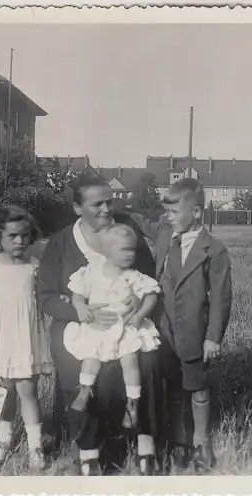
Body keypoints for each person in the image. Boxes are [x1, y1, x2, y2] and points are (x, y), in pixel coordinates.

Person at [38, 176, 163, 476]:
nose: (107, 209)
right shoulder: (61, 242)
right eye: (98, 204)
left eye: (110, 201)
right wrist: (78, 311)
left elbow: (148, 280)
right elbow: (46, 297)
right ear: (78, 208)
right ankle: (89, 451)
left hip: (128, 324)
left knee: (148, 362)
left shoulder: (126, 231)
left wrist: (136, 301)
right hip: (81, 326)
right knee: (75, 365)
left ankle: (145, 442)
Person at [0, 205, 53, 471]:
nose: (19, 241)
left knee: (28, 391)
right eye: (12, 236)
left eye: (25, 235)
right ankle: (4, 440)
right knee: (5, 394)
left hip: (27, 338)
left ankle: (35, 445)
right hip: (1, 339)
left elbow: (42, 301)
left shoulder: (34, 266)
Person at [155, 178, 232, 473]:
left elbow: (221, 298)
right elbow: (141, 222)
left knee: (197, 387)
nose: (168, 217)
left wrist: (213, 337)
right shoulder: (166, 238)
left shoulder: (214, 250)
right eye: (167, 212)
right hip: (164, 330)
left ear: (197, 213)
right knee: (173, 384)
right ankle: (178, 437)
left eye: (174, 212)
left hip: (195, 333)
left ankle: (200, 439)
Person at [64, 224, 161, 429]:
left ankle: (132, 402)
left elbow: (151, 295)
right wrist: (81, 307)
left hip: (125, 327)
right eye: (123, 249)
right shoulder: (91, 273)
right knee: (91, 356)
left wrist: (141, 314)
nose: (129, 254)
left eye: (132, 250)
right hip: (99, 327)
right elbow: (78, 294)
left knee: (130, 360)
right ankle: (84, 390)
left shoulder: (133, 276)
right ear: (106, 251)